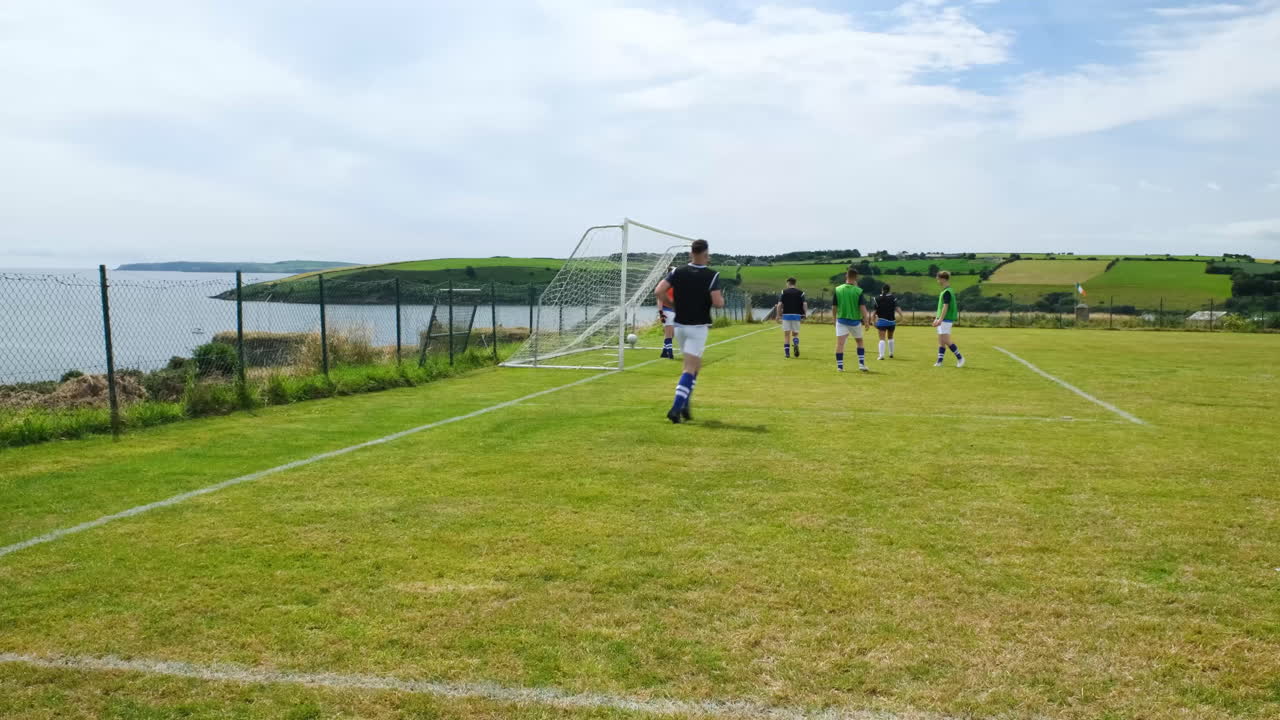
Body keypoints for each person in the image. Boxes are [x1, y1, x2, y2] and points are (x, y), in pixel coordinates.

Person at [654, 240, 724, 423]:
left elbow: (659, 291)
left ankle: (685, 404)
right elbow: (717, 302)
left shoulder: (677, 271)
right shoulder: (712, 275)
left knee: (696, 366)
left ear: (691, 253)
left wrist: (672, 305)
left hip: (679, 326)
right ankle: (676, 409)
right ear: (706, 254)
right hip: (698, 327)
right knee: (689, 368)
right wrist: (720, 301)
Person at [833, 266, 871, 372]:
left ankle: (840, 367)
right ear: (856, 278)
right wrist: (866, 321)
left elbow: (834, 306)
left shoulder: (838, 289)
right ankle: (861, 365)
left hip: (841, 320)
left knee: (840, 344)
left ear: (846, 275)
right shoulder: (858, 291)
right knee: (859, 342)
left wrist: (833, 318)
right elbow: (862, 307)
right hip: (854, 321)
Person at [932, 271, 965, 368]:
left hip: (946, 319)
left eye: (938, 279)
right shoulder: (945, 291)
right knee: (941, 341)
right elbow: (940, 307)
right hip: (942, 319)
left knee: (946, 340)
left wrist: (940, 319)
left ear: (943, 279)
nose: (937, 281)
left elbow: (945, 307)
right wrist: (936, 318)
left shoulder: (947, 292)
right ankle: (939, 362)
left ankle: (960, 358)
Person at [775, 277, 808, 358]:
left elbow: (779, 305)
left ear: (788, 283)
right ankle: (796, 344)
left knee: (786, 335)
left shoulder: (784, 292)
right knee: (795, 334)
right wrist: (804, 314)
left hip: (786, 315)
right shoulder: (801, 293)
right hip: (797, 315)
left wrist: (778, 315)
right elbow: (805, 304)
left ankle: (787, 353)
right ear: (795, 283)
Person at [874, 284, 904, 360]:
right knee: (890, 337)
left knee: (882, 339)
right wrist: (901, 316)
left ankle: (881, 355)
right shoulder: (893, 298)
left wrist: (872, 320)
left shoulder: (877, 298)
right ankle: (891, 354)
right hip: (891, 322)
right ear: (889, 290)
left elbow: (875, 311)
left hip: (882, 321)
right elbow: (897, 308)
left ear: (882, 289)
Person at [656, 267, 677, 359]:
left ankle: (664, 352)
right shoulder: (664, 285)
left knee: (671, 334)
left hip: (673, 312)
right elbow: (660, 300)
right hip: (666, 311)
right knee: (669, 333)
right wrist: (661, 313)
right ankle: (670, 353)